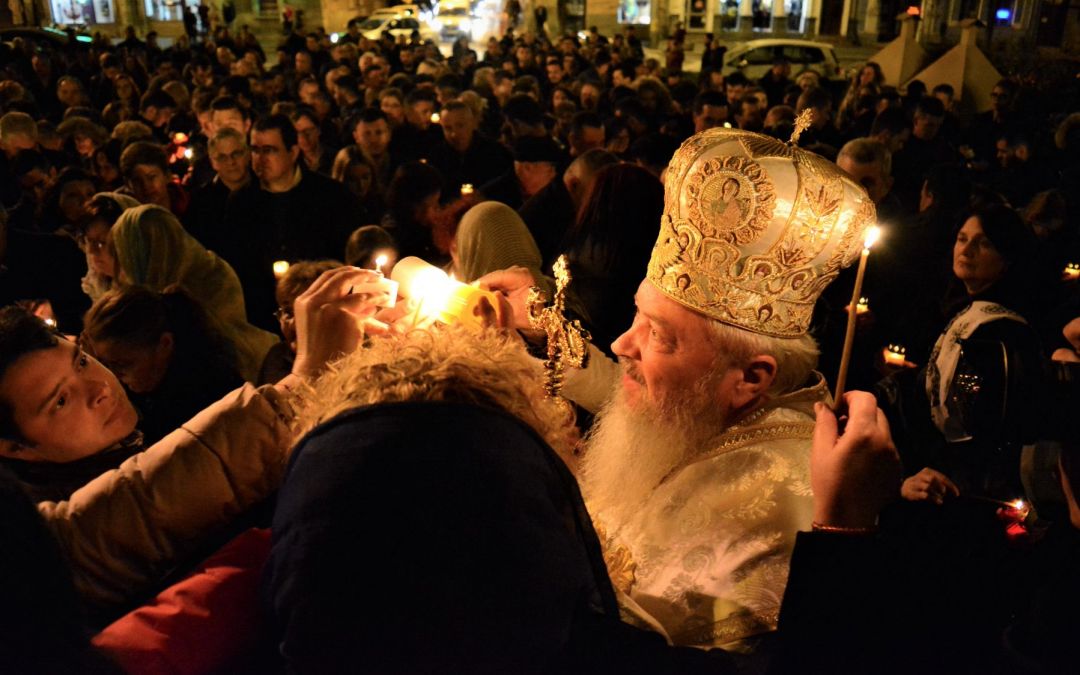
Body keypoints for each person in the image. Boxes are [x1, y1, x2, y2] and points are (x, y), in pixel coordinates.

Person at [482, 127, 878, 649]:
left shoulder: (778, 504)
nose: (623, 343)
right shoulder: (691, 412)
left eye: (660, 335)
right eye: (637, 317)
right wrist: (542, 319)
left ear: (750, 379)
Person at [110, 204, 278, 381]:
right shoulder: (142, 299)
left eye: (123, 258)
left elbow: (222, 341)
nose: (121, 271)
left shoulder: (210, 274)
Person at [81, 286, 244, 446]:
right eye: (104, 364)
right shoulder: (150, 383)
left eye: (122, 364)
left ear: (164, 345)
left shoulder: (206, 396)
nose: (112, 377)